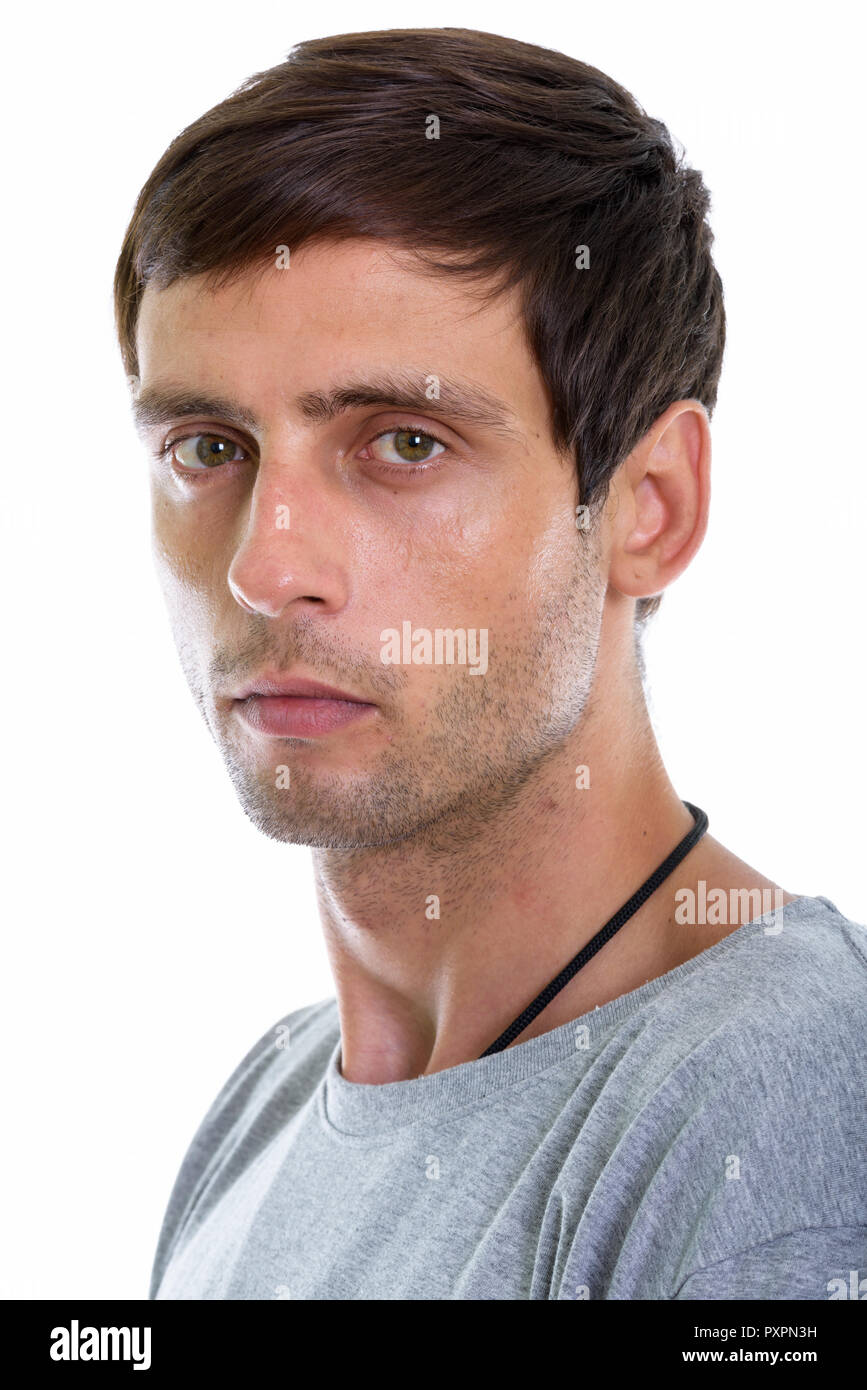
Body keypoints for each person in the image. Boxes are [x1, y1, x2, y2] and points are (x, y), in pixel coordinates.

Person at [114, 27, 866, 1300]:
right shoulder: (264, 1110)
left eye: (403, 443)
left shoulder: (767, 1107)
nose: (267, 565)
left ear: (650, 508)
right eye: (207, 446)